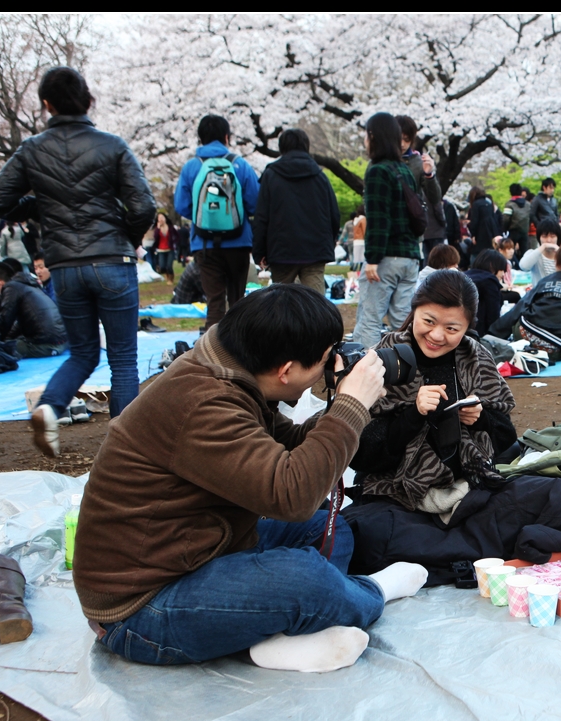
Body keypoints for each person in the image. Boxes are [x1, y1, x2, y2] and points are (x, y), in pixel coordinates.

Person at [73, 284, 427, 672]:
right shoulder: (203, 403)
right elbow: (292, 495)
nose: (327, 368)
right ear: (286, 370)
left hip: (200, 549)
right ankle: (370, 593)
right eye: (324, 360)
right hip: (141, 605)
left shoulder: (228, 371)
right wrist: (350, 406)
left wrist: (353, 407)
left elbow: (290, 448)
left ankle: (275, 634)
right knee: (304, 580)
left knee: (326, 528)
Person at [0, 66, 155, 455]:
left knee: (82, 353)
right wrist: (124, 235)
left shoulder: (32, 150)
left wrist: (38, 207)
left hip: (64, 266)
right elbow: (143, 205)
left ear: (46, 104)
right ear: (88, 100)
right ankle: (126, 450)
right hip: (112, 259)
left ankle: (49, 405)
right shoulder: (112, 145)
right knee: (123, 358)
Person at [352, 270, 517, 511]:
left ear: (467, 326)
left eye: (452, 329)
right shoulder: (384, 359)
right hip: (394, 492)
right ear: (414, 309)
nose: (436, 336)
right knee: (377, 534)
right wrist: (413, 415)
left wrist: (481, 418)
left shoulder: (476, 358)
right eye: (429, 321)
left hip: (469, 483)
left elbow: (507, 436)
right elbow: (361, 454)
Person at [173, 114, 261, 332]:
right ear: (226, 137)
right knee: (237, 299)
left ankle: (213, 353)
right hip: (238, 241)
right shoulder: (240, 165)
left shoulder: (192, 168)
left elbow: (181, 205)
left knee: (214, 301)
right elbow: (255, 202)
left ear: (201, 138)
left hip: (204, 243)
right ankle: (240, 348)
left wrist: (202, 218)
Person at [352, 112, 423, 349]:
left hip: (386, 258)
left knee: (369, 319)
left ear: (374, 136)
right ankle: (408, 373)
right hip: (410, 256)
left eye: (366, 135)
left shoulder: (377, 171)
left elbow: (379, 219)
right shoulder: (404, 170)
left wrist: (371, 259)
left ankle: (364, 371)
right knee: (402, 322)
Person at [251, 128, 341, 297]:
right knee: (316, 303)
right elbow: (334, 213)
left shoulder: (271, 175)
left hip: (281, 251)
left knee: (281, 301)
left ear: (281, 147)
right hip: (315, 250)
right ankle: (319, 325)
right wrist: (331, 239)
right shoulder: (319, 176)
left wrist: (259, 251)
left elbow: (262, 216)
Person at [489, 241, 561, 362]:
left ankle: (518, 347)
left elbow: (521, 306)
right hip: (558, 347)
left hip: (525, 333)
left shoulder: (548, 280)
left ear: (558, 260)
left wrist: (493, 333)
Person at [0, 261, 67, 357]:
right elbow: (18, 325)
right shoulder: (29, 285)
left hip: (47, 345)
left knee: (0, 348)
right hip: (62, 341)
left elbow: (5, 321)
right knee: (11, 341)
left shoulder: (12, 288)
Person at [394, 115, 444, 259]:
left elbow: (435, 197)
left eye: (407, 139)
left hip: (412, 230)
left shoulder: (418, 161)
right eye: (400, 139)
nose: (403, 144)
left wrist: (429, 174)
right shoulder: (381, 161)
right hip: (388, 229)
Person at [462, 248, 507, 335]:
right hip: (478, 333)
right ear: (492, 266)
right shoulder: (489, 281)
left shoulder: (465, 275)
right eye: (502, 269)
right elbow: (493, 315)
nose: (503, 274)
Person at [517, 219, 561, 283]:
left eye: (552, 236)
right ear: (539, 238)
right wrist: (543, 247)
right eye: (544, 237)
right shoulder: (533, 254)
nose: (549, 240)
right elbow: (523, 266)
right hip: (540, 292)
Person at [500, 183, 532, 259]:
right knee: (525, 253)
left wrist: (504, 230)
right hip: (524, 231)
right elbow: (530, 217)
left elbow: (506, 219)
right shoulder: (528, 204)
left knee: (510, 251)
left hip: (513, 231)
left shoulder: (509, 204)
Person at [148, 213, 178, 286]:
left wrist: (174, 243)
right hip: (161, 250)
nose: (161, 219)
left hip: (170, 249)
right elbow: (155, 238)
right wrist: (158, 229)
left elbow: (177, 236)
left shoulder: (170, 227)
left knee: (169, 266)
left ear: (165, 218)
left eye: (162, 217)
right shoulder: (157, 229)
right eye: (159, 218)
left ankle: (171, 279)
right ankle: (167, 275)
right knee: (162, 266)